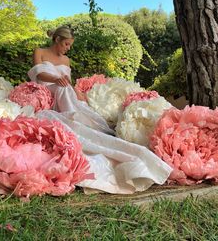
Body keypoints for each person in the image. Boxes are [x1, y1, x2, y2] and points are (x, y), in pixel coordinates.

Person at [28, 26, 172, 194]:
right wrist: (56, 79)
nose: (68, 48)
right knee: (62, 90)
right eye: (66, 44)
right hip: (48, 91)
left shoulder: (66, 60)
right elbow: (38, 74)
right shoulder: (40, 51)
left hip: (64, 91)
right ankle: (71, 116)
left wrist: (80, 95)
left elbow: (67, 81)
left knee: (72, 96)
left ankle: (76, 114)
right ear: (57, 40)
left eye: (70, 45)